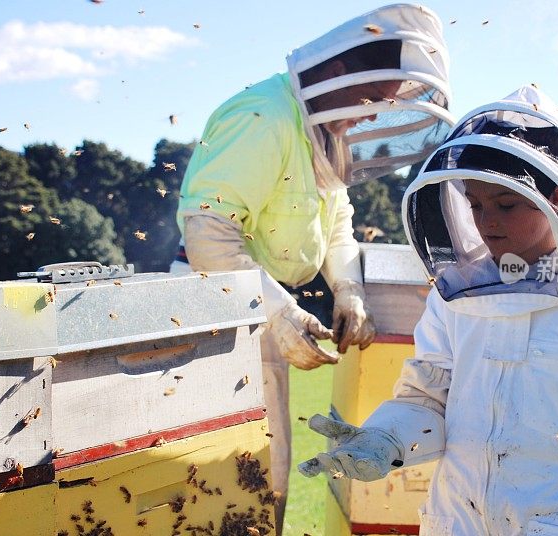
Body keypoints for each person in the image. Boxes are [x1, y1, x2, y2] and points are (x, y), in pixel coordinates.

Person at [299, 85, 558, 536]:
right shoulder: (455, 297)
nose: (486, 221)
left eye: (506, 204)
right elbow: (428, 400)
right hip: (454, 520)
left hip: (553, 523)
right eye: (474, 204)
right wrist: (386, 438)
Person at [170, 5, 455, 533]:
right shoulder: (262, 116)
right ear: (335, 72)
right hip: (213, 318)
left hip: (256, 312)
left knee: (267, 479)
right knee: (234, 483)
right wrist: (280, 313)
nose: (372, 115)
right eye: (372, 98)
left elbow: (338, 227)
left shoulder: (323, 132)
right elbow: (208, 233)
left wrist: (349, 291)